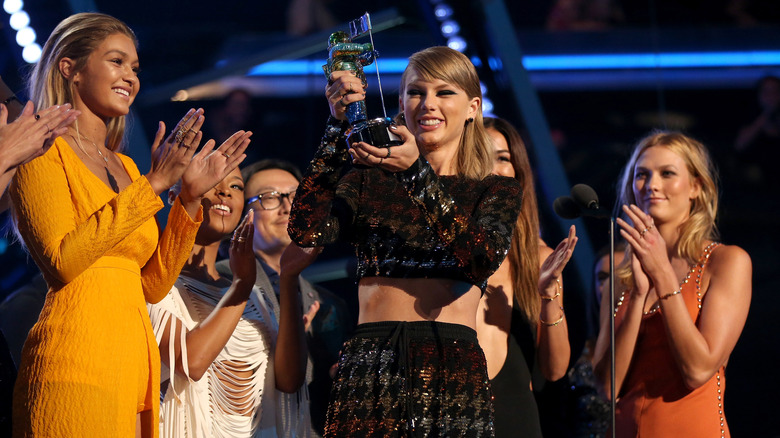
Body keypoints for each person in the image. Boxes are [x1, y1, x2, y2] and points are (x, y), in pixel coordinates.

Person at [8, 13, 249, 437]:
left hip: (132, 367)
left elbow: (151, 285)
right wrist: (155, 184)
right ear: (70, 68)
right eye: (117, 62)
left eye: (135, 68)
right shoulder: (42, 151)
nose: (130, 77)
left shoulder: (125, 166)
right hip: (75, 361)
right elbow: (64, 261)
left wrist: (188, 200)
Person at [288, 46, 523, 437]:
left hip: (449, 362)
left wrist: (416, 173)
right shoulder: (369, 179)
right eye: (416, 92)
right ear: (401, 102)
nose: (428, 104)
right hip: (369, 360)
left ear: (472, 107)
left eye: (444, 92)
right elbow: (306, 229)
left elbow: (479, 259)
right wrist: (335, 128)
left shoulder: (496, 190)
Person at [592, 131, 752, 437]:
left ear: (695, 186)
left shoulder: (725, 262)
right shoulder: (620, 277)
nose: (652, 185)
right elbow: (607, 388)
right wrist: (638, 294)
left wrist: (663, 274)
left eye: (667, 174)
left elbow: (697, 370)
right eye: (642, 175)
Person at [148, 167, 314, 437]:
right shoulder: (155, 283)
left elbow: (290, 381)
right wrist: (240, 286)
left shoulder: (256, 296)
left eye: (236, 186)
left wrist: (288, 276)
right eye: (211, 179)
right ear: (173, 194)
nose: (224, 191)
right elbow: (192, 363)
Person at [216, 158, 353, 436]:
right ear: (243, 214)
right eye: (269, 198)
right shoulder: (218, 284)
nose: (288, 207)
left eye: (296, 196)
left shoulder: (330, 305)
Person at [477, 116, 577, 437]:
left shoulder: (538, 258)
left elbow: (556, 369)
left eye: (503, 158)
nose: (492, 167)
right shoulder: (435, 246)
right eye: (479, 155)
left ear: (518, 171)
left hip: (513, 417)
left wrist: (548, 295)